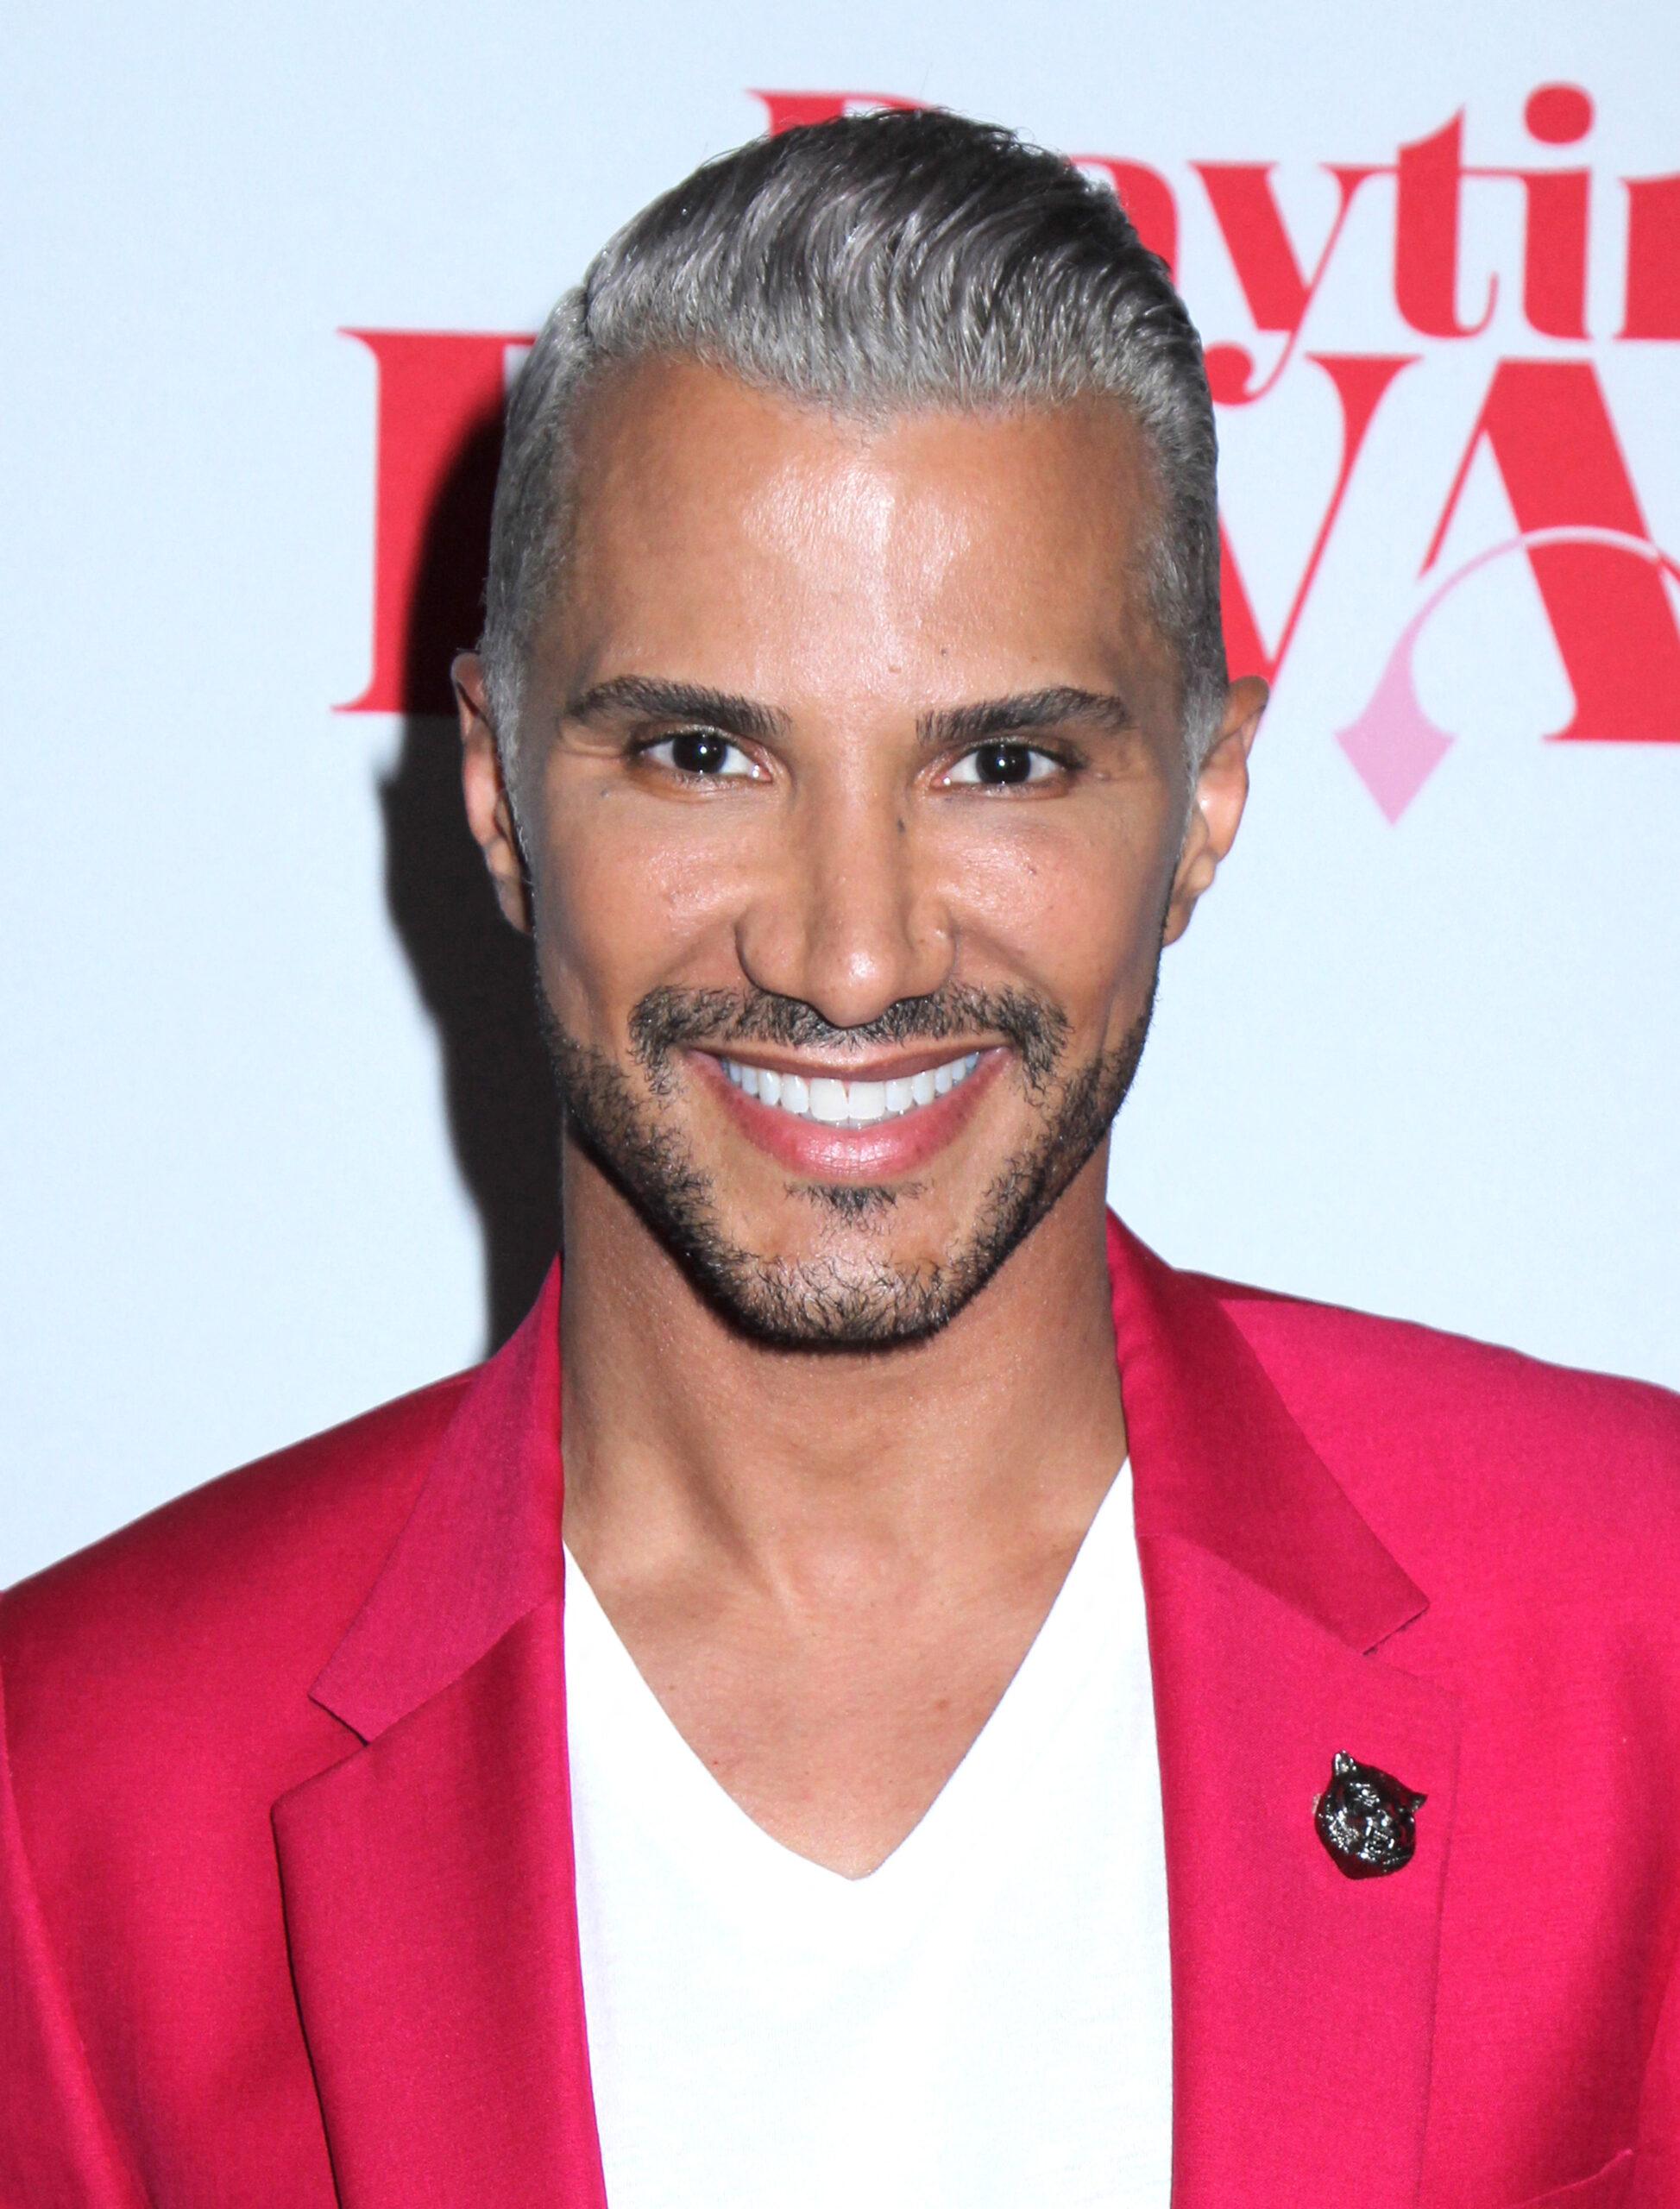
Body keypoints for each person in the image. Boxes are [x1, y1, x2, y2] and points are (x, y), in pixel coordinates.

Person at [3, 108, 1677, 2209]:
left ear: (1210, 799)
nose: (850, 948)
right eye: (701, 753)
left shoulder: (1637, 1636)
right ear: (503, 795)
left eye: (1001, 762)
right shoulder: (80, 1799)